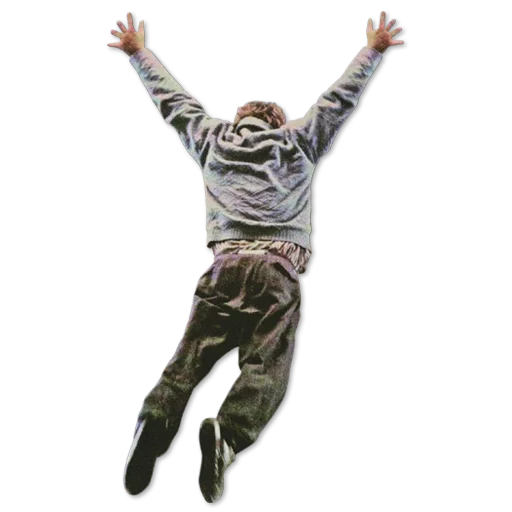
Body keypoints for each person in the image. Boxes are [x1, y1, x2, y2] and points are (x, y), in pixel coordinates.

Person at [108, 10, 404, 503]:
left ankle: (153, 422)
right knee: (267, 365)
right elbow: (338, 100)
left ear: (239, 120)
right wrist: (372, 48)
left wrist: (138, 51)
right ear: (278, 122)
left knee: (188, 360)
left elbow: (173, 102)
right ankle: (227, 435)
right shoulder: (298, 141)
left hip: (223, 270)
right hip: (276, 272)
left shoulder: (212, 139)